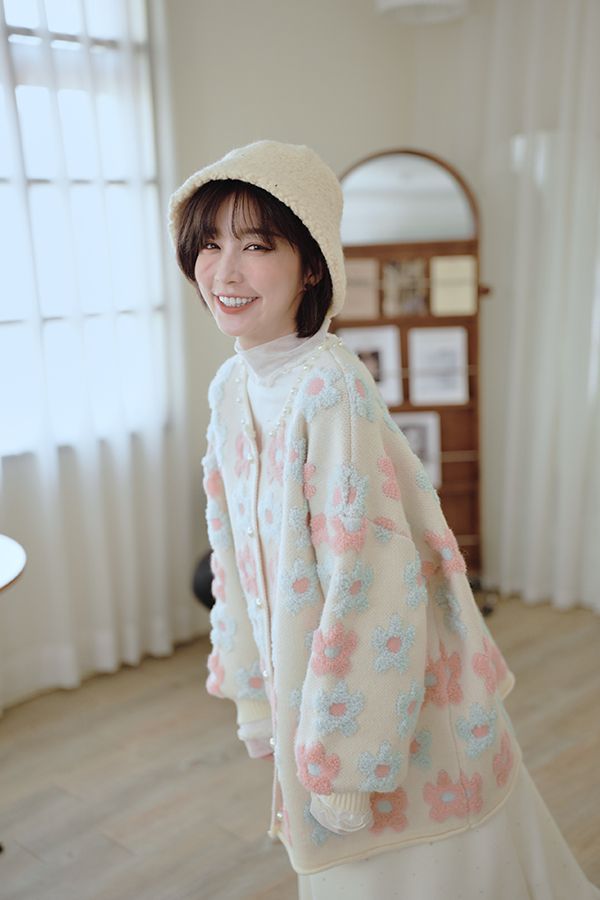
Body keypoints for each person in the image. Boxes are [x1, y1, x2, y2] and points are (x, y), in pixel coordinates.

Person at [168, 140, 600, 899]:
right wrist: (253, 692)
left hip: (389, 713)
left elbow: (372, 581)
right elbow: (231, 550)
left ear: (310, 264)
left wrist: (347, 757)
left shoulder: (330, 387)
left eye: (255, 246)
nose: (224, 272)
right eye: (208, 245)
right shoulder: (232, 387)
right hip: (313, 702)